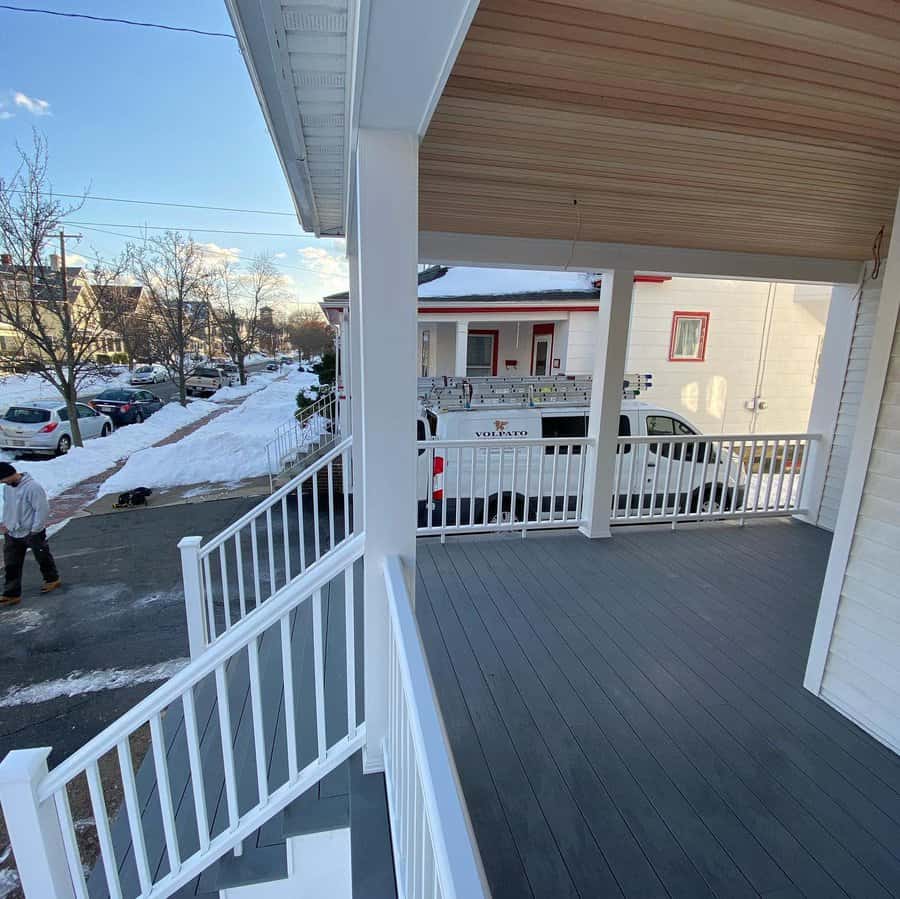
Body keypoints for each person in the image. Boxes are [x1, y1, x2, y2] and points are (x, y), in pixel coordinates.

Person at [0, 462, 60, 606]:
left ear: (10, 474)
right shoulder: (7, 489)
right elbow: (8, 507)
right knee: (11, 564)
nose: (2, 482)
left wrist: (36, 529)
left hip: (32, 532)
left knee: (42, 556)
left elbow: (42, 509)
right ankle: (11, 594)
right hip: (12, 532)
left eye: (2, 479)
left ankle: (52, 579)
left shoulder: (33, 487)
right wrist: (6, 524)